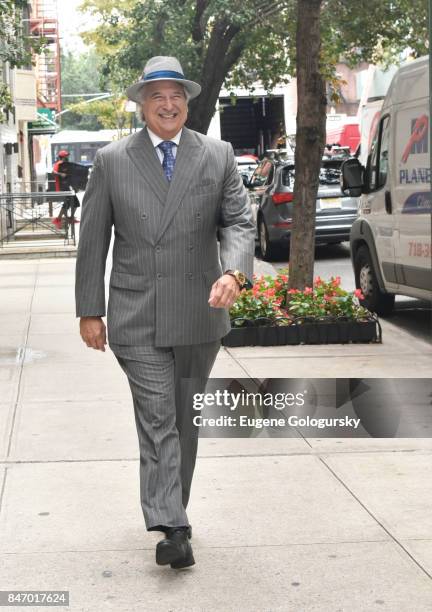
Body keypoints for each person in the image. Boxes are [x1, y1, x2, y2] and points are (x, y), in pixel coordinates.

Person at [75, 56, 255, 569]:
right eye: (157, 96)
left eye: (176, 94)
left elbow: (239, 222)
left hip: (200, 312)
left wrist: (234, 273)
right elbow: (93, 242)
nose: (168, 104)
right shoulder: (112, 161)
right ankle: (171, 526)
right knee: (158, 420)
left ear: (187, 102)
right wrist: (90, 310)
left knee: (183, 420)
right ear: (141, 105)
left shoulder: (217, 155)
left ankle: (176, 508)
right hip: (138, 315)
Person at [52, 150, 79, 229]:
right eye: (67, 156)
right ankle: (65, 219)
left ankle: (63, 218)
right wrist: (61, 174)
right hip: (62, 188)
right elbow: (53, 172)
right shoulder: (58, 164)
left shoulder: (66, 165)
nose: (68, 157)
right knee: (71, 203)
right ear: (63, 157)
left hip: (68, 187)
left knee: (73, 203)